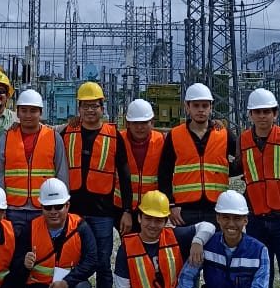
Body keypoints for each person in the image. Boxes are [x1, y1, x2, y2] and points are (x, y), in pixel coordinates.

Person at [60, 81, 131, 288]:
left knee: (102, 264)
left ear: (102, 108)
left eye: (95, 106)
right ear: (79, 108)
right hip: (74, 212)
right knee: (72, 260)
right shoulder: (68, 132)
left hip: (103, 213)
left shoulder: (114, 135)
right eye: (85, 106)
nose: (90, 110)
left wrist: (126, 209)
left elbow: (125, 176)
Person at [238, 88, 280, 288]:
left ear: (275, 114)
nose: (262, 116)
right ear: (250, 114)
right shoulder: (243, 140)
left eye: (266, 111)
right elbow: (238, 165)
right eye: (257, 112)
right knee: (262, 276)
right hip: (256, 219)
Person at [0, 88, 69, 238]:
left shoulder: (53, 137)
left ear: (40, 113)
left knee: (41, 250)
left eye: (33, 111)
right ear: (17, 112)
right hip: (13, 210)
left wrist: (60, 207)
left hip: (45, 208)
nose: (28, 115)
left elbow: (62, 173)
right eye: (24, 110)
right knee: (15, 253)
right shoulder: (6, 138)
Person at [159, 82, 237, 226]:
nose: (201, 110)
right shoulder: (175, 135)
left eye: (205, 105)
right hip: (185, 210)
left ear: (211, 107)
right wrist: (171, 205)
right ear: (187, 107)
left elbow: (243, 158)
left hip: (217, 208)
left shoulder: (224, 134)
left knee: (215, 249)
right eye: (196, 105)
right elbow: (164, 173)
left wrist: (226, 169)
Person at [113, 190, 214, 288]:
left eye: (158, 220)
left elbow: (208, 226)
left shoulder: (174, 236)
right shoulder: (127, 248)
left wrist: (198, 242)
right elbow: (121, 284)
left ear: (165, 222)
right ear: (139, 218)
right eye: (148, 218)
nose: (152, 225)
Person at [10, 177, 98, 288]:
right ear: (41, 207)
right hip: (38, 284)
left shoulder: (80, 227)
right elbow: (15, 266)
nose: (53, 212)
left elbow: (91, 261)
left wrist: (67, 282)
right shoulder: (30, 228)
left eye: (58, 206)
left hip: (68, 284)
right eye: (48, 207)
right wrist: (24, 263)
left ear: (67, 206)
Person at [178, 190, 269, 288]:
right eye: (226, 218)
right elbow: (186, 276)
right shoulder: (207, 244)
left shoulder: (259, 251)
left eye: (237, 218)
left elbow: (260, 285)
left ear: (245, 220)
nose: (231, 223)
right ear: (218, 218)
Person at [114, 99, 166, 227]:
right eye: (135, 123)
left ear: (152, 122)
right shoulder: (117, 140)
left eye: (144, 123)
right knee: (128, 244)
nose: (139, 127)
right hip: (122, 206)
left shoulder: (162, 141)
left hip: (152, 207)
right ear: (128, 124)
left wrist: (213, 123)